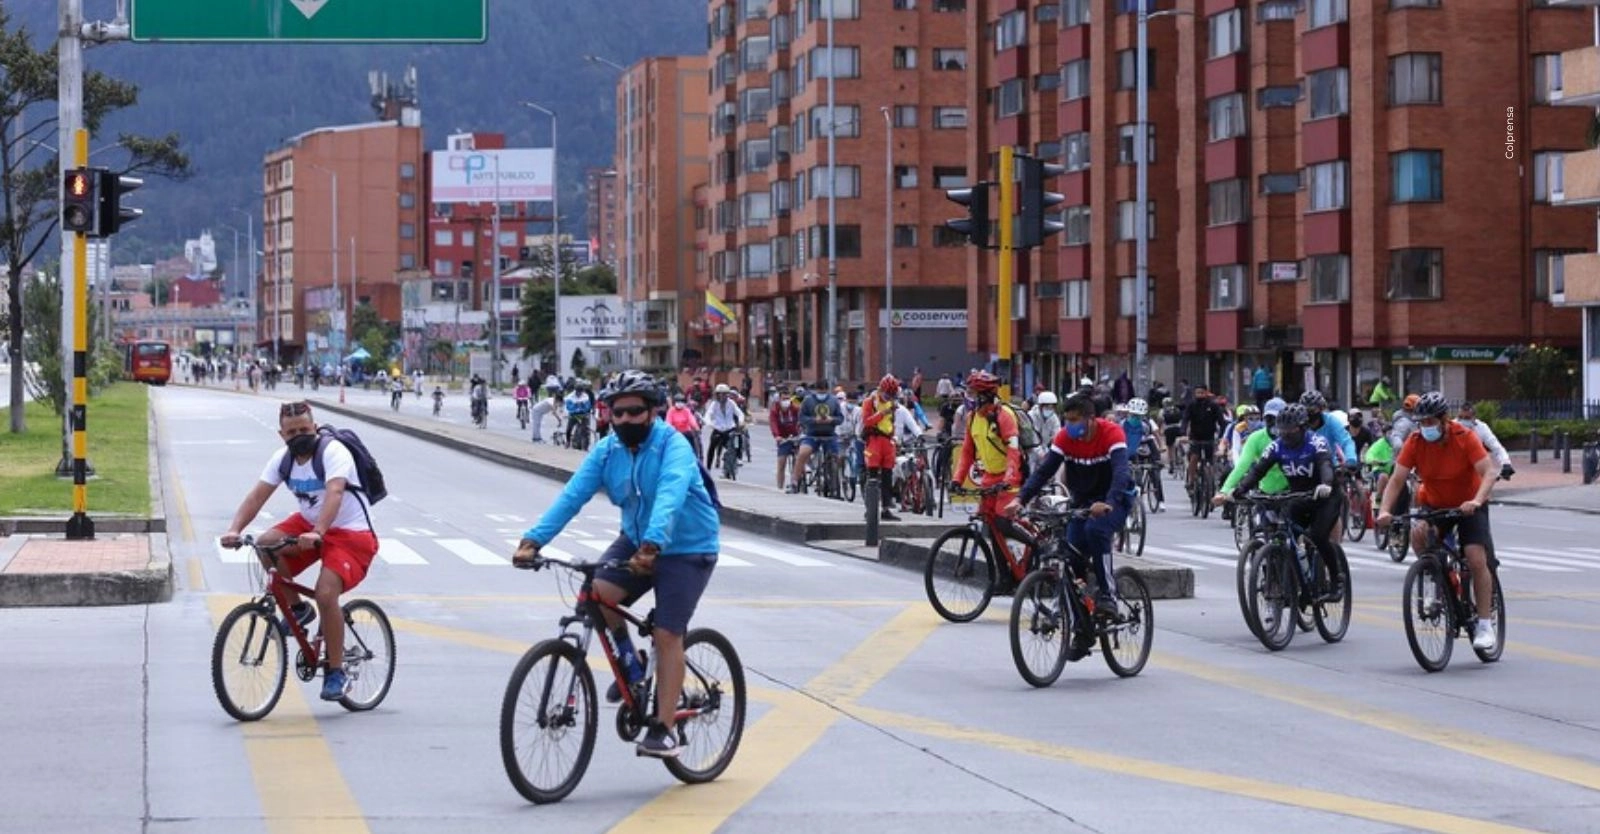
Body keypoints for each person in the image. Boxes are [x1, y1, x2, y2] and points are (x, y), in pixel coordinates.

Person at [513, 371, 720, 758]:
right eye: (616, 412)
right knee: (597, 594)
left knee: (667, 632)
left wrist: (653, 545)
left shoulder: (672, 446)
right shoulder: (607, 450)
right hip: (638, 541)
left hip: (688, 547)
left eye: (634, 411)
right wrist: (533, 540)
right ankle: (633, 666)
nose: (624, 419)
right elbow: (573, 495)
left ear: (652, 412)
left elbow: (671, 496)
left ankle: (664, 728)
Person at [220, 401, 379, 701]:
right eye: (292, 432)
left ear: (315, 428)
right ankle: (298, 610)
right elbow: (256, 497)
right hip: (309, 526)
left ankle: (336, 672)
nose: (299, 436)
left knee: (326, 594)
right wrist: (234, 530)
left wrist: (318, 532)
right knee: (265, 544)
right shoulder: (283, 460)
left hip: (351, 534)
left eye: (304, 429)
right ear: (282, 435)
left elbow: (335, 492)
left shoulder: (333, 452)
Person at [1376, 392, 1499, 651]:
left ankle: (1485, 624)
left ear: (1444, 420)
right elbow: (1397, 480)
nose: (1426, 427)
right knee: (1419, 536)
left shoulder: (1465, 437)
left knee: (1475, 557)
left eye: (1431, 422)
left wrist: (1476, 500)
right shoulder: (1415, 441)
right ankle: (1441, 579)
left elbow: (1488, 472)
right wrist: (1384, 511)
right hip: (1434, 503)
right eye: (1421, 422)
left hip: (1469, 505)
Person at [1006, 392, 1132, 616]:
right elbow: (1044, 471)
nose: (1069, 425)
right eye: (1067, 420)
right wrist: (1020, 499)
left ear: (1090, 418)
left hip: (1114, 499)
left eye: (1074, 420)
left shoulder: (1111, 433)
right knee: (1072, 550)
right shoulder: (1065, 438)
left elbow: (1121, 472)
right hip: (1082, 501)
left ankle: (1107, 594)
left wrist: (1109, 502)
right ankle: (1080, 618)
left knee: (1095, 531)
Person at [1230, 403, 1345, 602]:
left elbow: (1325, 464)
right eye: (1282, 431)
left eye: (1291, 431)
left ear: (1302, 428)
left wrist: (1326, 484)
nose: (1286, 435)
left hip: (1325, 497)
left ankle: (1336, 580)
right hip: (1299, 497)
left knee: (1318, 536)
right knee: (1285, 535)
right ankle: (1295, 582)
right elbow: (1258, 470)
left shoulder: (1316, 443)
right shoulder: (1276, 446)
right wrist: (1240, 490)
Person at [950, 371, 1024, 523]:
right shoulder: (972, 418)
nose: (968, 397)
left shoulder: (1004, 415)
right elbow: (967, 452)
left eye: (973, 394)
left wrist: (1008, 479)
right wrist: (957, 479)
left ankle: (1030, 537)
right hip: (989, 477)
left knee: (1003, 521)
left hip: (1010, 478)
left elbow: (1013, 451)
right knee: (984, 519)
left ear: (985, 396)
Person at [1217, 397, 1290, 507]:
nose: (1274, 423)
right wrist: (1224, 491)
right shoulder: (1254, 437)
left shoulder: (1295, 437)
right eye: (1269, 419)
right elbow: (1242, 465)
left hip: (1290, 492)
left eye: (1278, 419)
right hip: (1265, 492)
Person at [860, 376, 903, 521]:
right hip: (874, 440)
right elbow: (867, 421)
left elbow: (891, 422)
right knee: (872, 477)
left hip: (888, 441)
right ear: (880, 390)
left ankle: (886, 509)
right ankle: (870, 509)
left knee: (887, 477)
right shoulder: (870, 402)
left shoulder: (892, 403)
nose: (889, 398)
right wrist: (882, 413)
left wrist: (894, 437)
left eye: (892, 396)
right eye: (887, 395)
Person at [789, 383, 845, 493]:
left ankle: (834, 480)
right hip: (811, 435)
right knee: (802, 454)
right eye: (819, 391)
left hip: (829, 435)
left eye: (823, 391)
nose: (821, 394)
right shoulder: (808, 401)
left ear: (827, 390)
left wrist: (832, 420)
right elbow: (802, 418)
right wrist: (814, 420)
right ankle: (794, 482)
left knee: (837, 457)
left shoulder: (833, 401)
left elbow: (840, 418)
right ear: (815, 390)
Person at [1182, 386, 1227, 491]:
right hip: (1195, 438)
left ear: (1206, 393)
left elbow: (1221, 422)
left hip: (1209, 438)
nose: (1200, 395)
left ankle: (1211, 481)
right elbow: (1185, 419)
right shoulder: (1192, 405)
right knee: (1194, 457)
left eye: (1202, 392)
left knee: (1211, 460)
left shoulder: (1213, 406)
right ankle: (1191, 481)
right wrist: (1183, 433)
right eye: (1198, 393)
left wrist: (1221, 436)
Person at [1455, 402, 1514, 481]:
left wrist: (1506, 463)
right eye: (1460, 417)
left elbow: (1496, 447)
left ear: (1474, 418)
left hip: (1476, 466)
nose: (1462, 420)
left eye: (1467, 418)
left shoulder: (1482, 428)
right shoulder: (1451, 426)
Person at [702, 384, 746, 470]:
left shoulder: (731, 403)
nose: (722, 396)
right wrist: (709, 423)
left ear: (727, 394)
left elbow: (739, 413)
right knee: (712, 447)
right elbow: (708, 415)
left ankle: (738, 458)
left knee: (737, 439)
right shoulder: (714, 404)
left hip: (730, 428)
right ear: (717, 395)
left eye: (724, 394)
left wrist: (741, 421)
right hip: (718, 429)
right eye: (720, 394)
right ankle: (708, 468)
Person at [769, 389, 802, 491]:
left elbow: (801, 419)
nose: (786, 401)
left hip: (796, 436)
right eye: (784, 399)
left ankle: (800, 480)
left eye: (788, 398)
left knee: (802, 456)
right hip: (783, 438)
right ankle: (780, 487)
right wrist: (777, 436)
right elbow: (773, 423)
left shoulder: (794, 408)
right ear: (779, 399)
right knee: (781, 462)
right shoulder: (775, 410)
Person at [1028, 392, 1063, 471]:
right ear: (1041, 406)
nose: (1050, 409)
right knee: (1031, 471)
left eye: (1052, 407)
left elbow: (1057, 434)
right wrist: (1040, 452)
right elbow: (1032, 437)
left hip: (1045, 449)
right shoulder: (1031, 416)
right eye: (1047, 407)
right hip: (1031, 451)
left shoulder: (1054, 418)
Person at [564, 380, 596, 446]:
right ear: (575, 390)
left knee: (584, 430)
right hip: (573, 415)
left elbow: (588, 406)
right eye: (578, 391)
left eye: (580, 392)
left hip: (582, 415)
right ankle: (568, 441)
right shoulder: (570, 396)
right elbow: (568, 407)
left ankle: (584, 445)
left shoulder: (585, 396)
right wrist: (575, 407)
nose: (579, 393)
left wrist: (583, 407)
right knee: (569, 428)